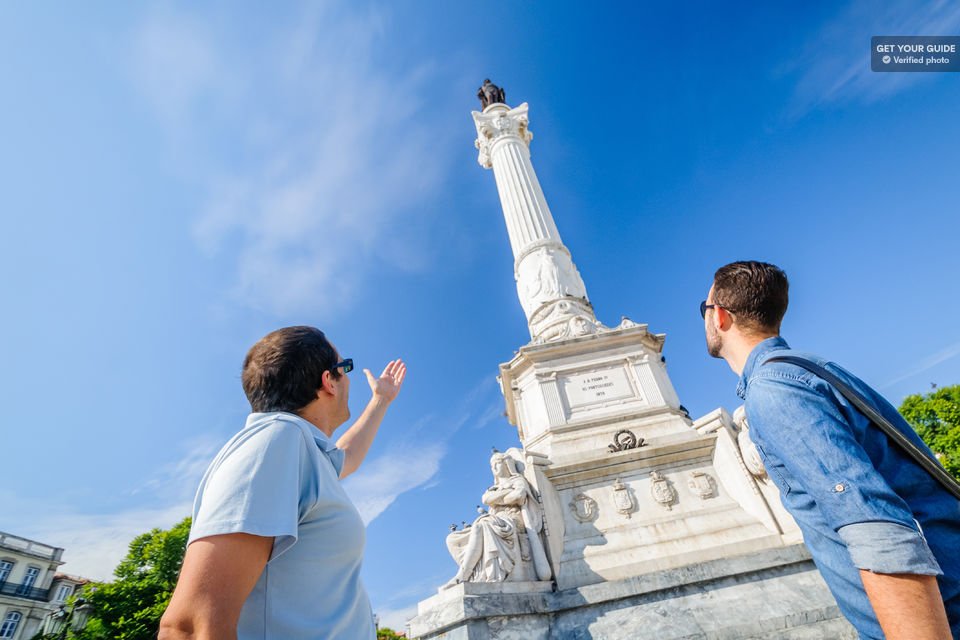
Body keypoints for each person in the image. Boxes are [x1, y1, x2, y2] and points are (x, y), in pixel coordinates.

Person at [702, 260, 959, 639]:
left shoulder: (775, 390)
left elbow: (876, 527)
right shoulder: (809, 370)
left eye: (703, 310)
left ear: (720, 317)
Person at [159, 326, 406, 640]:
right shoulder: (277, 441)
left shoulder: (301, 449)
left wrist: (380, 401)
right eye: (345, 368)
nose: (349, 378)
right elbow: (190, 626)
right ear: (328, 381)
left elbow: (348, 456)